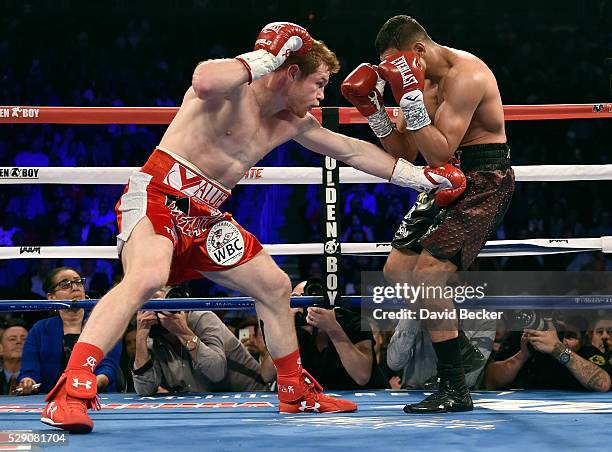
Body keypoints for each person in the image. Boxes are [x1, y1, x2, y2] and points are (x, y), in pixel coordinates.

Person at [41, 21, 468, 433]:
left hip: (205, 217)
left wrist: (417, 178)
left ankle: (293, 389)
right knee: (147, 277)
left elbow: (352, 151)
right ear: (291, 72)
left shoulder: (291, 120)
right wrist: (265, 56)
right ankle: (71, 391)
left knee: (275, 285)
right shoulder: (230, 91)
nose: (321, 98)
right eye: (318, 84)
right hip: (158, 198)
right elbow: (203, 78)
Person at [342, 15, 515, 412]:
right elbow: (403, 152)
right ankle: (466, 351)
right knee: (396, 273)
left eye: (395, 66)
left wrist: (409, 95)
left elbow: (437, 151)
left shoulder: (465, 76)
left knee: (427, 278)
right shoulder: (419, 82)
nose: (392, 75)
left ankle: (456, 388)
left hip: (483, 178)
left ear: (417, 51)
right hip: (442, 178)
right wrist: (373, 109)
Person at [132, 287, 269, 395]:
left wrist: (183, 332)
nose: (158, 308)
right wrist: (141, 336)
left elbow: (216, 372)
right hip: (204, 405)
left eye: (160, 301)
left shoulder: (203, 318)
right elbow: (145, 390)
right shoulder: (151, 333)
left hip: (249, 396)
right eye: (149, 303)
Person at [17, 267, 122, 395]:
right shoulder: (40, 329)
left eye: (78, 282)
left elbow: (108, 368)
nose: (75, 287)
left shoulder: (104, 325)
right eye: (65, 284)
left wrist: (92, 384)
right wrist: (28, 381)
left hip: (96, 397)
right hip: (50, 399)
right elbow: (29, 371)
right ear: (51, 297)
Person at [289, 280, 389, 390]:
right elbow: (267, 375)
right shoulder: (292, 327)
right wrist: (287, 323)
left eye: (315, 298)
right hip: (316, 401)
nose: (309, 304)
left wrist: (332, 328)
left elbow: (362, 376)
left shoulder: (352, 322)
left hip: (365, 398)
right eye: (298, 299)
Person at [485, 318, 611, 392]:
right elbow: (490, 381)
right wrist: (523, 355)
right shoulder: (527, 342)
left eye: (570, 336)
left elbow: (603, 384)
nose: (562, 340)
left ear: (584, 340)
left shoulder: (586, 352)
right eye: (558, 334)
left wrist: (558, 349)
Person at [386, 317, 494, 390]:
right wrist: (412, 316)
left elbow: (469, 378)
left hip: (458, 394)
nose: (445, 291)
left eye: (451, 285)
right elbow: (394, 363)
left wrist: (449, 326)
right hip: (412, 392)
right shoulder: (415, 311)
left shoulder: (482, 319)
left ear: (463, 286)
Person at [0, 320, 28, 395]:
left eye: (24, 339)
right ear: (1, 348)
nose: (18, 341)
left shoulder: (42, 379)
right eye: (12, 339)